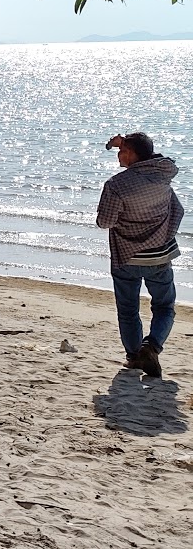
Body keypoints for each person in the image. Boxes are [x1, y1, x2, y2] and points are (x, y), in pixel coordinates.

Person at [98, 132, 183, 378]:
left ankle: (135, 357)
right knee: (165, 306)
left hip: (127, 256)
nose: (118, 156)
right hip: (159, 255)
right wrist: (166, 233)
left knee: (128, 309)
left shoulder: (117, 185)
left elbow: (105, 221)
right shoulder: (163, 175)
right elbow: (178, 209)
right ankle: (152, 346)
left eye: (121, 151)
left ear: (133, 154)